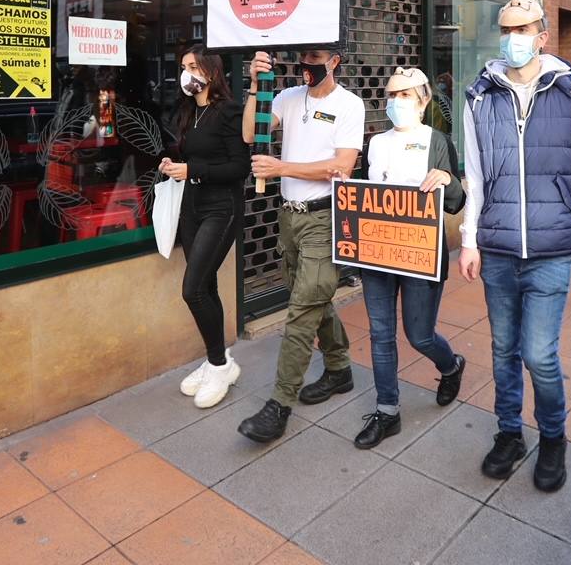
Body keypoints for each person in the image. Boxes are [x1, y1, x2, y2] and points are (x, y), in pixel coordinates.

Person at [458, 0, 571, 489]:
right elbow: (474, 175)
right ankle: (508, 433)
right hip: (497, 246)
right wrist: (470, 238)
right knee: (503, 349)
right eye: (506, 29)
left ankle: (554, 436)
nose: (513, 37)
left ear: (543, 36)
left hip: (551, 248)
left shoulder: (570, 94)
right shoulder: (480, 96)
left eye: (523, 29)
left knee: (538, 353)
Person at [237, 46, 366, 443]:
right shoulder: (287, 97)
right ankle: (340, 368)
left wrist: (282, 168)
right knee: (311, 295)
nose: (307, 63)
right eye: (304, 56)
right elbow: (249, 133)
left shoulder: (350, 105)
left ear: (335, 62)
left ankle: (279, 403)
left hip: (324, 216)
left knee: (301, 307)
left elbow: (342, 167)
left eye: (316, 56)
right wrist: (256, 86)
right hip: (288, 216)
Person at [352, 67, 467, 450]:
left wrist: (448, 181)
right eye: (391, 95)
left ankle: (450, 365)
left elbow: (456, 204)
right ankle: (388, 411)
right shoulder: (374, 143)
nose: (396, 102)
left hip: (420, 254)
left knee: (419, 335)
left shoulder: (438, 141)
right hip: (378, 254)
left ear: (423, 100)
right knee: (381, 334)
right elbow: (359, 198)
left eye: (404, 95)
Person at [161, 46, 248, 408]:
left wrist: (193, 171)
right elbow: (193, 156)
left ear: (211, 72)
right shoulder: (187, 112)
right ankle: (219, 362)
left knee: (193, 289)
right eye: (183, 67)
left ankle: (218, 365)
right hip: (192, 207)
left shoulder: (228, 111)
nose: (187, 74)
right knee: (206, 285)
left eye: (193, 67)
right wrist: (173, 163)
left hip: (221, 207)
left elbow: (239, 168)